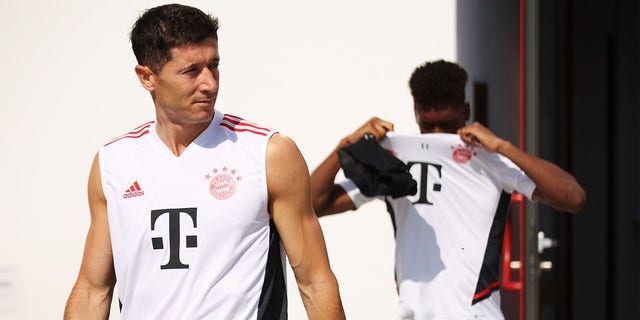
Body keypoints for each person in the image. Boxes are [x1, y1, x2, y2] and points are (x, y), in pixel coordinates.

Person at [64, 4, 345, 319]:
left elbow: (314, 280)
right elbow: (93, 290)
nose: (210, 83)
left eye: (214, 65)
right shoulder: (112, 163)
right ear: (146, 77)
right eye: (191, 70)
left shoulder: (268, 153)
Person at [310, 60, 586, 319]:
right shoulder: (393, 163)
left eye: (447, 123)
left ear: (466, 113)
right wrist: (346, 146)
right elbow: (311, 205)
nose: (438, 132)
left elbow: (573, 197)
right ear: (416, 115)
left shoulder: (490, 159)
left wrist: (504, 147)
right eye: (428, 125)